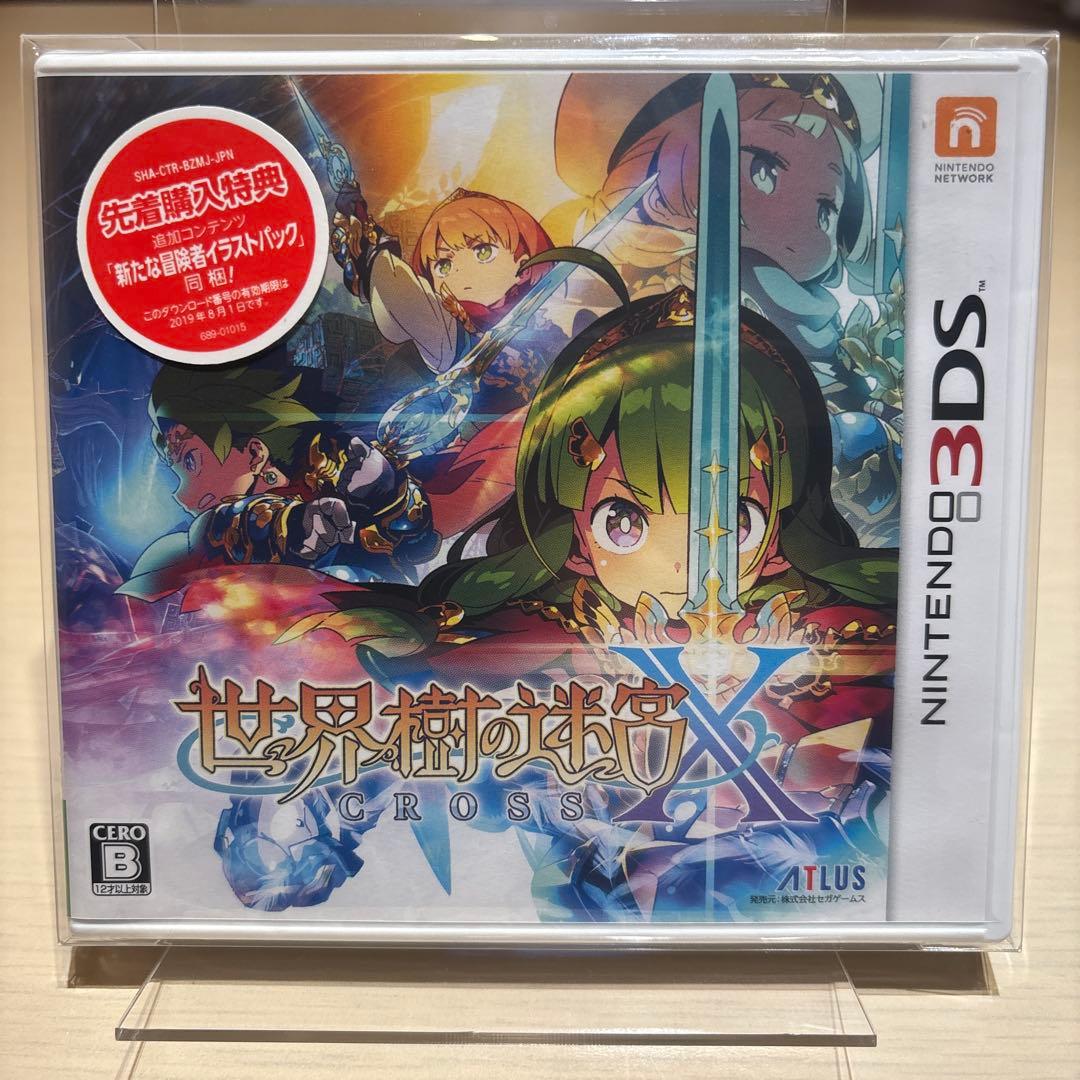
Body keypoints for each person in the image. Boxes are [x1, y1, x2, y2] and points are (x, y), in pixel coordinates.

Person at [332, 186, 554, 374]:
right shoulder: (450, 334)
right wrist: (371, 246)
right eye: (443, 266)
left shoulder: (541, 316)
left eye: (483, 251)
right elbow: (403, 294)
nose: (460, 271)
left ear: (523, 268)